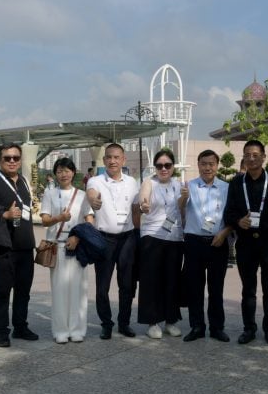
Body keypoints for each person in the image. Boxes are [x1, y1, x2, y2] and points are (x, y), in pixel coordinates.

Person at [223, 139, 268, 345]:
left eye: (255, 155)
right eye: (247, 155)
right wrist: (237, 221)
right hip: (246, 245)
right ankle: (249, 328)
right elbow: (229, 212)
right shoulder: (236, 183)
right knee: (248, 290)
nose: (251, 158)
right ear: (243, 157)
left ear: (263, 157)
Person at [0, 143, 38, 347]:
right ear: (0, 160)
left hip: (24, 246)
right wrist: (4, 214)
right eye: (7, 158)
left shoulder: (24, 181)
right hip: (4, 248)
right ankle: (2, 331)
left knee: (23, 291)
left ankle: (20, 326)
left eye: (15, 157)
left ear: (20, 160)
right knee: (2, 291)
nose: (12, 161)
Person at [86, 143, 140, 339]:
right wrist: (94, 201)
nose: (112, 161)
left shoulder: (132, 182)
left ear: (123, 160)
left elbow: (137, 207)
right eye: (109, 157)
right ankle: (106, 323)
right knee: (103, 286)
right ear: (104, 160)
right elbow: (91, 194)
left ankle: (124, 323)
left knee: (126, 285)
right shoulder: (96, 181)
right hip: (104, 240)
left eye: (117, 157)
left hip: (127, 239)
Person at [178, 150, 232, 342]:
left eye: (211, 164)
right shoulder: (189, 186)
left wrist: (224, 233)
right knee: (195, 287)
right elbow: (180, 209)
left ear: (217, 165)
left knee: (216, 288)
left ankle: (217, 327)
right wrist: (183, 197)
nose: (207, 168)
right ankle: (197, 326)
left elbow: (232, 215)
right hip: (194, 242)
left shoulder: (227, 188)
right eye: (203, 164)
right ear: (198, 165)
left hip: (218, 242)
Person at [39, 157, 91, 343]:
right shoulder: (50, 194)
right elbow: (44, 219)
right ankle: (60, 330)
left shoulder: (83, 195)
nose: (64, 174)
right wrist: (59, 218)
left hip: (77, 247)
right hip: (57, 246)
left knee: (78, 289)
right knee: (60, 290)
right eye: (60, 171)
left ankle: (77, 329)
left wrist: (78, 237)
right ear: (55, 174)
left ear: (73, 172)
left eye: (67, 170)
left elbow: (89, 218)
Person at [136, 148, 184, 339]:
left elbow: (181, 211)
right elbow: (143, 199)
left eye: (167, 165)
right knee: (151, 281)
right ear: (155, 167)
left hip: (174, 238)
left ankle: (170, 320)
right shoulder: (149, 182)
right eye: (159, 165)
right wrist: (144, 205)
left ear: (173, 166)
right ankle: (152, 321)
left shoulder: (179, 185)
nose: (163, 169)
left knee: (172, 280)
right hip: (152, 237)